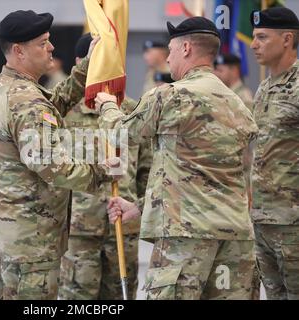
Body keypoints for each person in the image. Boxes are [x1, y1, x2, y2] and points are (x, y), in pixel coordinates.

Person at [95, 17, 259, 299]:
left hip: (185, 237)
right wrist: (139, 207)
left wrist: (108, 106)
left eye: (170, 50)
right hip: (236, 238)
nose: (167, 58)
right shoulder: (238, 104)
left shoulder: (171, 96)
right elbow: (205, 176)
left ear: (185, 48)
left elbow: (121, 134)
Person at [0, 10, 107, 300]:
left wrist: (84, 70)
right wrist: (101, 171)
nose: (51, 48)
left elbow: (52, 106)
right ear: (19, 51)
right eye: (43, 43)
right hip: (31, 240)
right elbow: (52, 167)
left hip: (8, 230)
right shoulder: (26, 101)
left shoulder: (6, 87)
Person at [58, 33, 151, 300]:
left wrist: (141, 209)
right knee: (78, 297)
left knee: (120, 296)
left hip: (123, 226)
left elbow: (146, 167)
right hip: (79, 230)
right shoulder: (64, 114)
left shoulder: (132, 111)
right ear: (81, 63)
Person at [249, 7, 299, 300]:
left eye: (262, 37)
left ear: (287, 39)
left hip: (293, 221)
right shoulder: (265, 87)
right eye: (254, 37)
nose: (254, 44)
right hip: (264, 220)